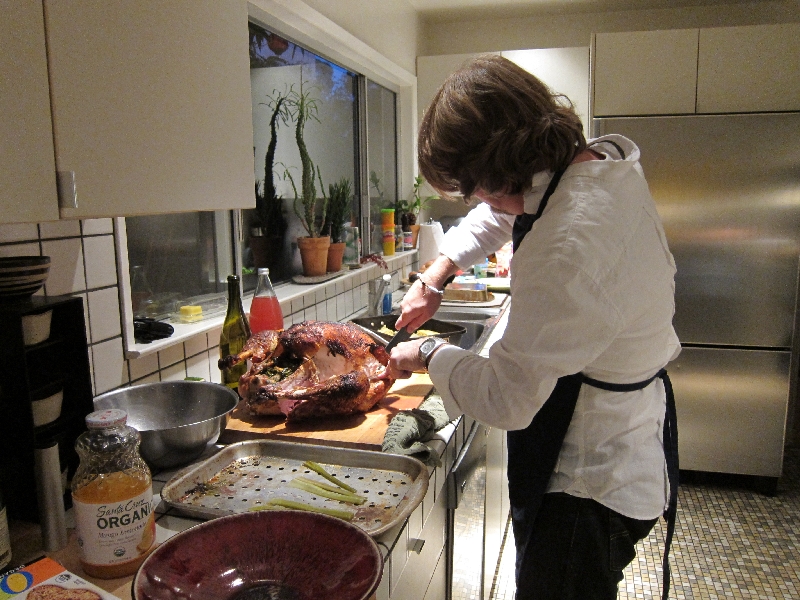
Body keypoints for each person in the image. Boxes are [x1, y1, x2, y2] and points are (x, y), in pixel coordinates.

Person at [384, 54, 681, 600]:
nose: (478, 200)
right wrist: (436, 274)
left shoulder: (569, 241)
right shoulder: (588, 165)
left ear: (501, 168)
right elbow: (502, 212)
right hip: (620, 435)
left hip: (588, 481)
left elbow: (506, 398)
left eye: (475, 187)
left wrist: (426, 355)